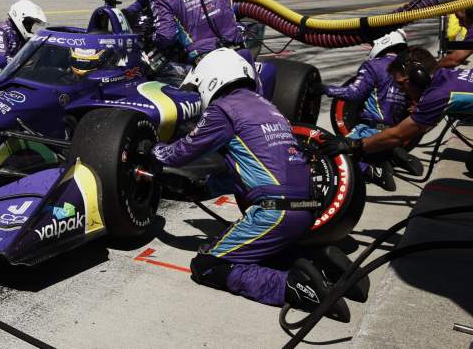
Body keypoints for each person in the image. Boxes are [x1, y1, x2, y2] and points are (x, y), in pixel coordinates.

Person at [152, 49, 354, 320]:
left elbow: (181, 152)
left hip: (275, 212)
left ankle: (292, 287)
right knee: (257, 253)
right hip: (307, 210)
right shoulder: (269, 108)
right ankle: (321, 262)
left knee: (209, 264)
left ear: (212, 79)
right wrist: (203, 188)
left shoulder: (222, 109)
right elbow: (253, 169)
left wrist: (151, 150)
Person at [331, 47, 473, 157]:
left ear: (418, 78)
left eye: (401, 84)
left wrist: (354, 145)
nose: (401, 90)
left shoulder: (438, 95)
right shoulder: (448, 76)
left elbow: (397, 135)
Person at [322, 30, 413, 187]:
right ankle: (390, 154)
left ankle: (375, 171)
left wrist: (326, 89)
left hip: (369, 129)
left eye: (372, 44)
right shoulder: (408, 69)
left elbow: (354, 93)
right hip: (396, 131)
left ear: (383, 41)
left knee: (331, 153)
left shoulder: (374, 66)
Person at [146, 0, 257, 63]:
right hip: (238, 51)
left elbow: (166, 36)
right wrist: (227, 9)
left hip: (205, 61)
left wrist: (154, 38)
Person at [0, 0, 47, 66]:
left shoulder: (21, 34)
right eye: (28, 22)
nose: (30, 26)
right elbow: (2, 59)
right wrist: (25, 63)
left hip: (9, 71)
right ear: (19, 17)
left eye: (32, 23)